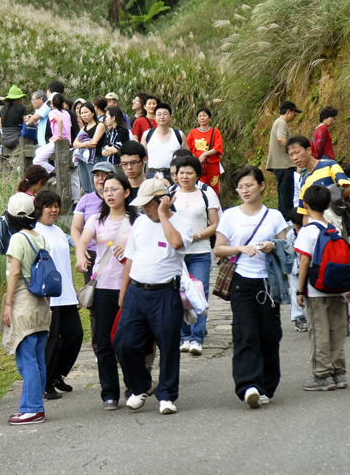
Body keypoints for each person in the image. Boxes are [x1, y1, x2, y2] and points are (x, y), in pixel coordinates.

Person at [214, 167, 291, 408]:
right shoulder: (230, 215)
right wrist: (239, 249)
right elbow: (218, 249)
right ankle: (248, 385)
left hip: (268, 283)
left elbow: (286, 250)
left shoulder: (274, 216)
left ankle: (266, 386)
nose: (244, 190)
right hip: (241, 282)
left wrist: (272, 245)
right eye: (240, 186)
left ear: (262, 186)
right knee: (245, 334)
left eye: (249, 185)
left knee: (269, 335)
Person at [115, 178, 193, 415]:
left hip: (165, 293)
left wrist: (163, 215)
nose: (144, 210)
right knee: (123, 342)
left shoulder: (181, 223)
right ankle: (141, 385)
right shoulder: (139, 222)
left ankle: (167, 395)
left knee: (168, 345)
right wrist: (123, 291)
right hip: (137, 292)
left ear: (162, 201)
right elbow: (130, 257)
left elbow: (177, 243)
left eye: (148, 205)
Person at [76, 172, 137, 409]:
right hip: (103, 288)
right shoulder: (96, 220)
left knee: (129, 341)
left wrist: (131, 248)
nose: (109, 194)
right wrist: (81, 257)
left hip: (131, 288)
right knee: (103, 342)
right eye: (106, 190)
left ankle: (133, 386)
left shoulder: (137, 221)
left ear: (127, 192)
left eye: (114, 189)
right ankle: (109, 393)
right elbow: (82, 241)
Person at [0, 193, 52, 425]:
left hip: (24, 302)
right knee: (38, 358)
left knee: (26, 359)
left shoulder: (17, 239)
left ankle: (31, 408)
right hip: (41, 304)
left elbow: (13, 273)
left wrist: (8, 304)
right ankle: (36, 407)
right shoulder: (41, 237)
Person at [294, 185, 349, 392]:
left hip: (316, 290)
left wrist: (300, 291)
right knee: (337, 331)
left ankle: (322, 375)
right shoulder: (334, 228)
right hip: (337, 288)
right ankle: (339, 373)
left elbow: (304, 262)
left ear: (305, 205)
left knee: (319, 332)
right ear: (327, 205)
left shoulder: (308, 230)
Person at [34, 191, 83, 401]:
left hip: (66, 294)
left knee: (75, 335)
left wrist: (73, 289)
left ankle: (56, 375)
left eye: (56, 206)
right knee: (52, 339)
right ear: (39, 208)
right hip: (48, 296)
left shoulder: (60, 232)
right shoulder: (34, 232)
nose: (54, 210)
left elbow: (65, 264)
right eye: (49, 206)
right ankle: (45, 384)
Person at [173, 156, 220, 356]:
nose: (185, 176)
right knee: (178, 295)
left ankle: (197, 337)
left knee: (199, 292)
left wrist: (196, 236)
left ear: (197, 175)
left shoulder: (206, 194)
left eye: (189, 172)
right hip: (176, 254)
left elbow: (215, 224)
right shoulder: (170, 195)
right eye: (181, 172)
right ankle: (183, 337)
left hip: (200, 251)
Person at [286, 136, 350, 228]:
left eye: (297, 152)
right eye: (291, 155)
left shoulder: (330, 165)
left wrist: (325, 204)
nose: (295, 157)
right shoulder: (303, 183)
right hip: (320, 230)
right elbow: (305, 214)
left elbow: (349, 189)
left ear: (309, 150)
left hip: (339, 224)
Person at [266, 101, 301, 222]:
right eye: (294, 113)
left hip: (280, 164)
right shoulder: (281, 122)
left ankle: (282, 218)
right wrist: (293, 152)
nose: (294, 116)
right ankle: (286, 219)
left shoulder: (277, 122)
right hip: (283, 164)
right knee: (286, 193)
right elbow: (281, 138)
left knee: (283, 193)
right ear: (288, 112)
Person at [143, 102, 184, 181]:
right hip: (153, 174)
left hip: (174, 175)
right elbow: (141, 156)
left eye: (165, 114)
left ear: (170, 117)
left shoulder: (179, 134)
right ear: (155, 117)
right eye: (159, 114)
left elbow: (186, 156)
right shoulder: (147, 134)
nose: (162, 117)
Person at [185, 107, 223, 190]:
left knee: (213, 187)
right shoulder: (193, 132)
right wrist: (194, 158)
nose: (202, 118)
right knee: (199, 186)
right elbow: (187, 147)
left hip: (212, 164)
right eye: (200, 116)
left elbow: (218, 147)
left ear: (209, 118)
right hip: (197, 164)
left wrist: (204, 154)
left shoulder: (215, 132)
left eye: (204, 115)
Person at [31, 94, 71, 174]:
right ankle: (47, 172)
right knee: (38, 151)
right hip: (67, 141)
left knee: (36, 161)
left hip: (56, 141)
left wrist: (59, 136)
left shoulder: (52, 112)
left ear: (52, 103)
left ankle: (55, 171)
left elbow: (59, 120)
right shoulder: (66, 113)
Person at [0, 86, 29, 151]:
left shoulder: (3, 109)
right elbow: (26, 123)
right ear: (19, 99)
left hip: (4, 140)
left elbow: (1, 125)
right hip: (16, 140)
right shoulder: (22, 108)